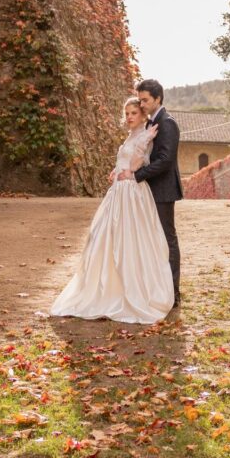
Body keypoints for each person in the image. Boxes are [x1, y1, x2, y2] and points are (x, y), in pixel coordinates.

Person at [49, 97, 174, 324]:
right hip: (119, 191)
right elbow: (124, 162)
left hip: (132, 193)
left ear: (143, 114)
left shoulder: (146, 135)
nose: (129, 117)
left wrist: (131, 165)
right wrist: (116, 171)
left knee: (129, 240)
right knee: (102, 236)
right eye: (126, 113)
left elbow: (139, 164)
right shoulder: (131, 135)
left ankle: (131, 291)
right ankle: (105, 287)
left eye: (134, 113)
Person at [117, 79, 182, 305]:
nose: (142, 104)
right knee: (152, 241)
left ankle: (173, 293)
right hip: (147, 191)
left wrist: (136, 176)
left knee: (167, 240)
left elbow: (165, 160)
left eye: (145, 100)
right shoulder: (150, 124)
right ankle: (155, 288)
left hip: (163, 190)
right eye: (140, 99)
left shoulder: (168, 123)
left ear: (158, 99)